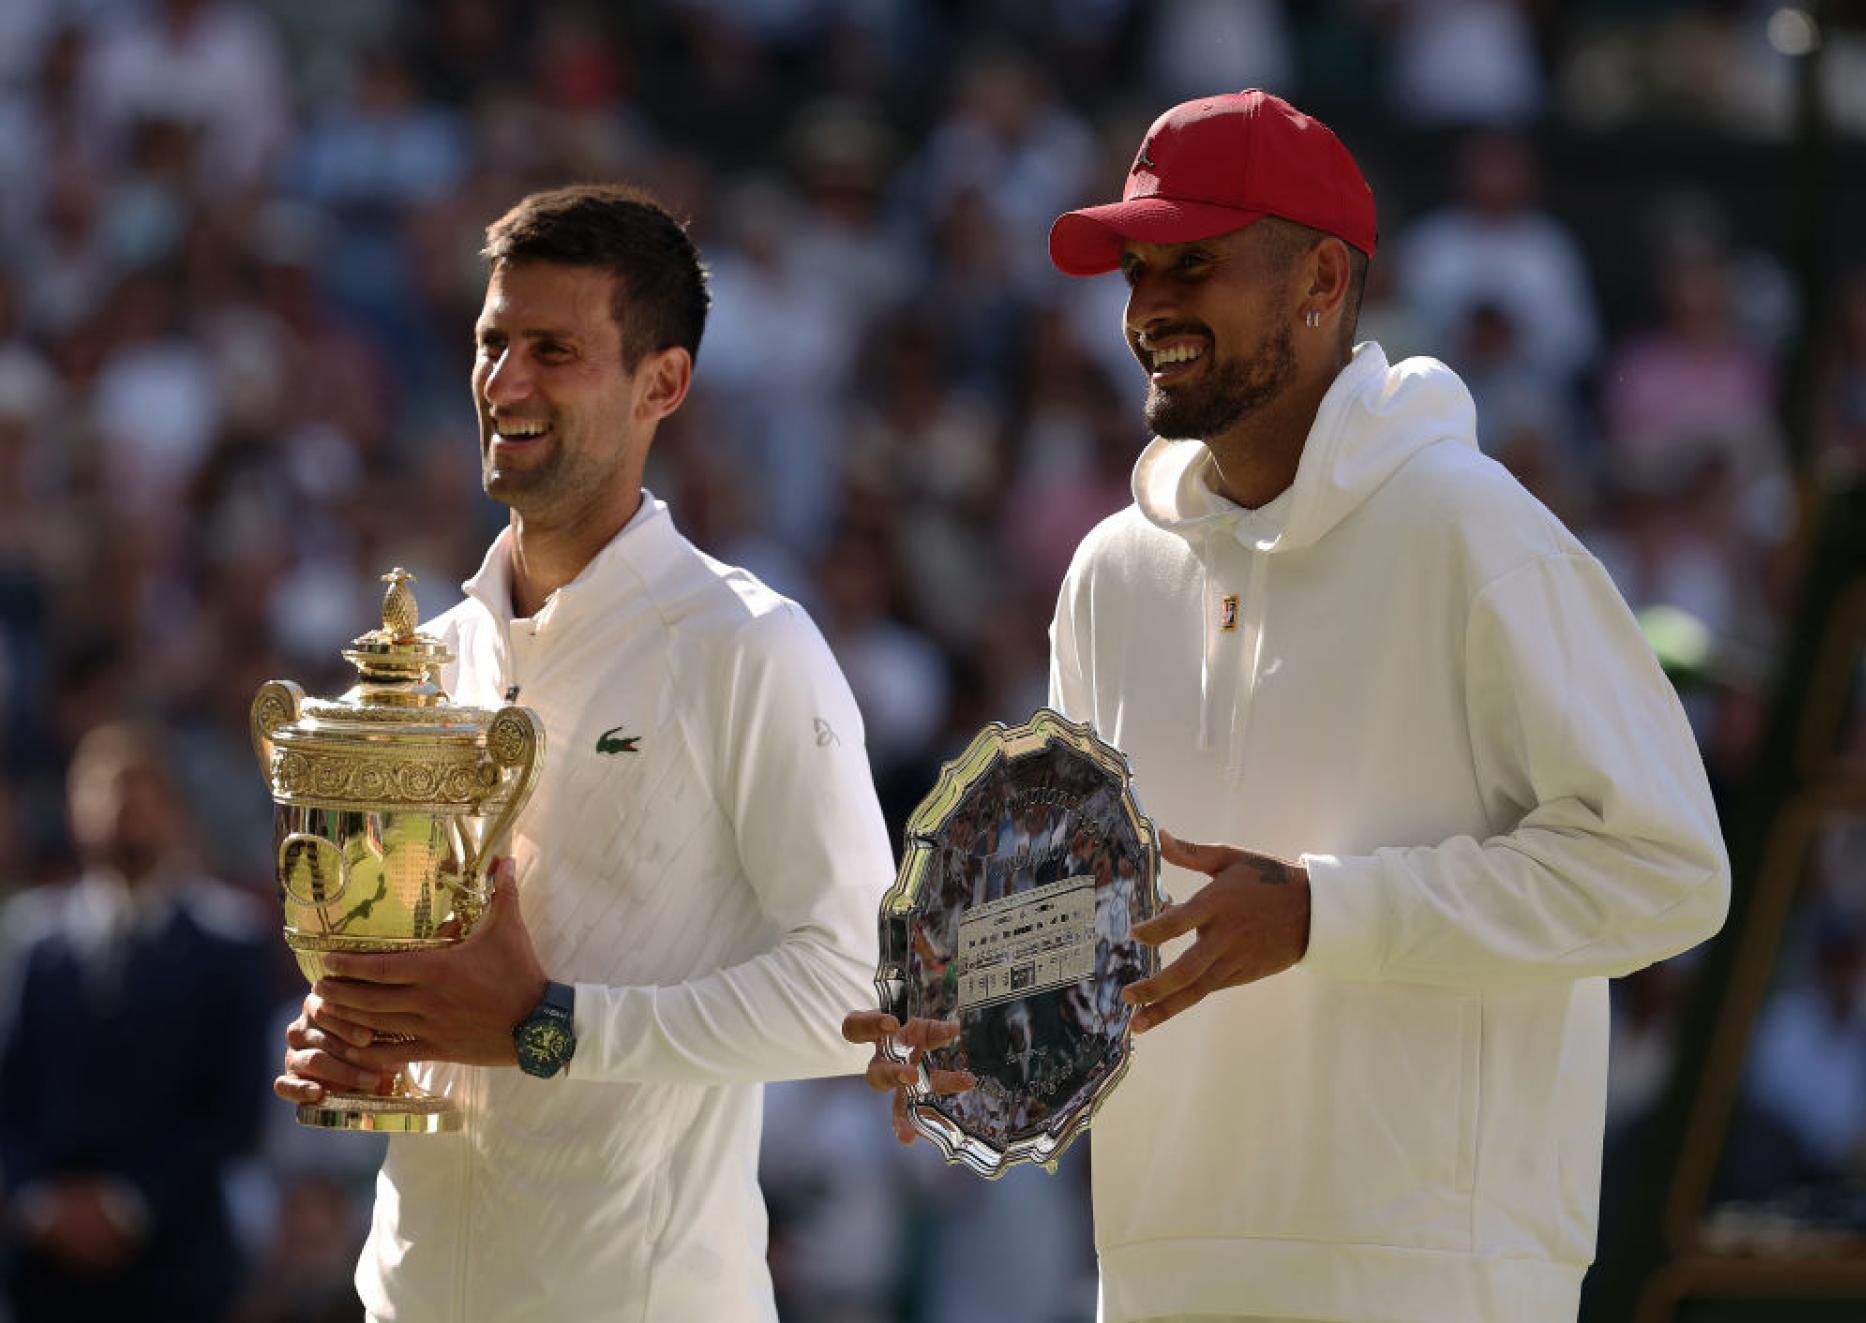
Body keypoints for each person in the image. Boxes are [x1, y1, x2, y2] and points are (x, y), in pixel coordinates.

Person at [846, 91, 1730, 1323]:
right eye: (1137, 269)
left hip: (1432, 1278)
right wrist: (976, 1005)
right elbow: (1098, 912)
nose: (1147, 306)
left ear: (1320, 279)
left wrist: (1328, 912)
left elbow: (1670, 869)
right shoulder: (1110, 573)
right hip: (1163, 1269)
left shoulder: (1474, 532)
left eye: (1192, 264)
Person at [275, 184, 893, 1321]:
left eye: (552, 351)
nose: (504, 384)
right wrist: (360, 1029)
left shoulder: (749, 647)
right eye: (491, 343)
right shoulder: (438, 656)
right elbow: (451, 994)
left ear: (663, 383)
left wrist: (547, 1025)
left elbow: (862, 989)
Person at [0, 721, 273, 1323]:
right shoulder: (34, 945)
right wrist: (40, 1205)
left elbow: (234, 1110)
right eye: (103, 789)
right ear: (74, 811)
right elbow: (11, 1095)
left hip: (178, 1266)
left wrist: (130, 1205)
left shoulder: (228, 946)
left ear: (175, 811)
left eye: (142, 788)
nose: (124, 807)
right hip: (45, 1276)